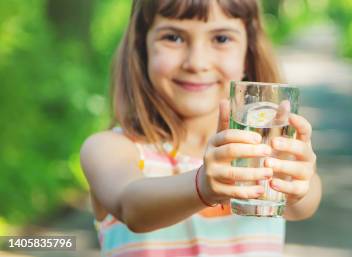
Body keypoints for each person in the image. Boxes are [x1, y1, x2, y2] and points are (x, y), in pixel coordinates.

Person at [79, 0, 321, 256]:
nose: (196, 62)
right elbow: (132, 208)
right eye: (173, 37)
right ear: (142, 47)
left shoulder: (262, 154)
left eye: (221, 38)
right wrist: (201, 185)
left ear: (248, 53)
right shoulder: (110, 149)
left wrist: (295, 181)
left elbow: (305, 203)